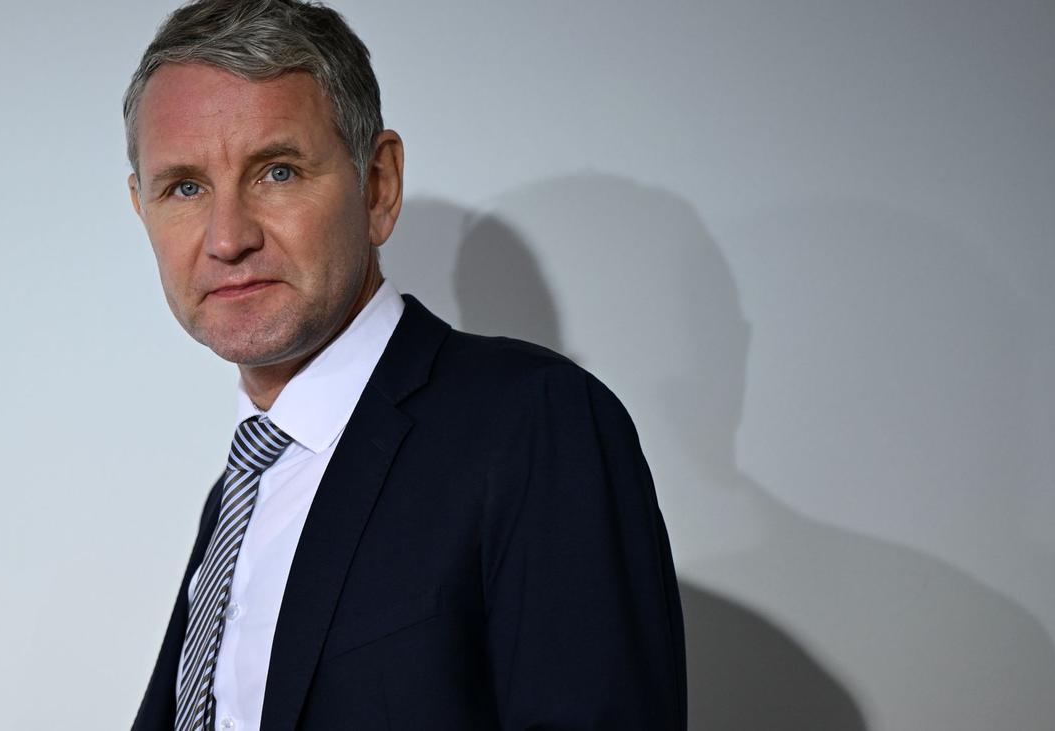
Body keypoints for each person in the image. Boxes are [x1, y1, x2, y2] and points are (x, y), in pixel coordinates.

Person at [122, 1, 687, 728]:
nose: (227, 239)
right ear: (141, 207)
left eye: (278, 172)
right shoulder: (238, 495)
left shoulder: (532, 425)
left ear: (379, 186)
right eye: (185, 187)